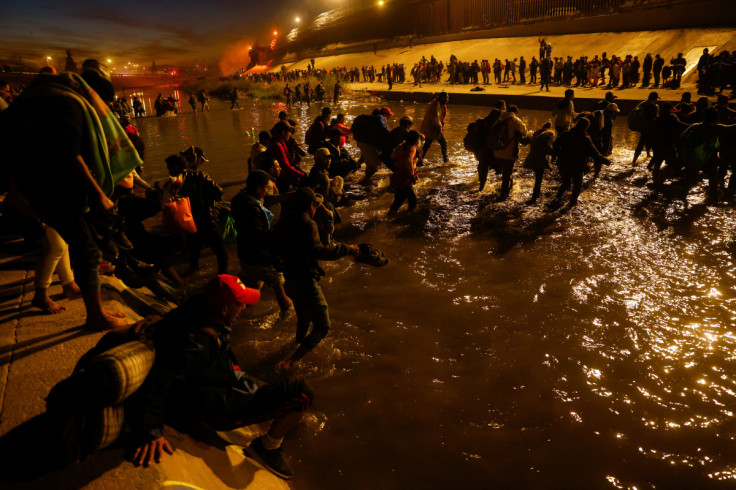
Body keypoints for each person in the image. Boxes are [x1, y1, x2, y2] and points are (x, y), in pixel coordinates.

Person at [127, 274, 312, 480]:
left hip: (225, 381)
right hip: (220, 409)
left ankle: (285, 420)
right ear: (224, 307)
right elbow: (157, 382)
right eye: (240, 304)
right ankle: (266, 448)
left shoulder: (198, 310)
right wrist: (151, 431)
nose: (244, 308)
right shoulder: (198, 343)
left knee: (292, 406)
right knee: (302, 393)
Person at [1, 59, 140, 330]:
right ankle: (95, 316)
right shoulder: (70, 104)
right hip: (47, 187)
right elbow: (70, 154)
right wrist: (99, 193)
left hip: (32, 183)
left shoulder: (49, 96)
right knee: (85, 249)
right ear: (94, 94)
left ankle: (68, 288)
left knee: (66, 244)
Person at [275, 188, 359, 369]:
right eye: (316, 204)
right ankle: (290, 362)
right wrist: (347, 249)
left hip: (289, 280)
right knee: (322, 326)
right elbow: (318, 251)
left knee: (304, 318)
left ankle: (295, 344)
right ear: (311, 205)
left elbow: (273, 251)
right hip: (305, 280)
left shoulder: (282, 223)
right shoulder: (307, 223)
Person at [231, 170, 292, 316]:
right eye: (266, 188)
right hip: (260, 257)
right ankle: (287, 320)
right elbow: (258, 236)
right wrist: (280, 232)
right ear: (258, 188)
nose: (267, 191)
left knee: (253, 288)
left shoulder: (240, 200)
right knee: (281, 289)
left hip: (245, 254)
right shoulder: (253, 210)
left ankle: (238, 316)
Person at [164, 154, 228, 274]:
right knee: (220, 251)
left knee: (194, 251)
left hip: (189, 221)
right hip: (207, 218)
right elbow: (219, 192)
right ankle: (223, 278)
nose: (168, 171)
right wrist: (207, 202)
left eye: (169, 168)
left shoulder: (173, 183)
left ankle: (192, 275)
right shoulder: (200, 176)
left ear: (176, 167)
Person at [551, 118, 610, 208]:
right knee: (577, 185)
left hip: (563, 163)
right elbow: (595, 154)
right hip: (577, 165)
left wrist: (555, 156)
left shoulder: (565, 134)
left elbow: (555, 145)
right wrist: (606, 161)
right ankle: (572, 203)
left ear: (577, 124)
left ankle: (557, 198)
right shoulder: (585, 138)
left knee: (566, 183)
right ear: (586, 127)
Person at [492, 105, 530, 201]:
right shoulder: (515, 120)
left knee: (505, 172)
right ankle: (504, 196)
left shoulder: (500, 119)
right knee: (507, 174)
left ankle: (508, 189)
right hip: (509, 152)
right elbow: (524, 132)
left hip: (497, 150)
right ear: (516, 113)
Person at [388, 130, 423, 214]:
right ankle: (387, 220)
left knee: (412, 199)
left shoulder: (400, 146)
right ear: (416, 140)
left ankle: (408, 215)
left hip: (398, 174)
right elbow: (408, 161)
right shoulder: (412, 148)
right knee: (399, 200)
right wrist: (411, 175)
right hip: (405, 176)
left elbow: (392, 157)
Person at [523, 122, 556, 204]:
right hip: (539, 160)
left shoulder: (536, 134)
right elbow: (549, 149)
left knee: (538, 179)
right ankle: (534, 198)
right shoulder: (548, 135)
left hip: (532, 158)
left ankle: (536, 195)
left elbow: (526, 141)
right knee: (538, 179)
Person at [269, 121, 305, 192]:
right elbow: (286, 168)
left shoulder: (280, 142)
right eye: (289, 131)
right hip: (280, 179)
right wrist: (302, 175)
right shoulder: (277, 146)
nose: (290, 134)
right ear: (282, 132)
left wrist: (297, 160)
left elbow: (288, 161)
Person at [631, 91, 660, 166]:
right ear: (655, 98)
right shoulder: (655, 106)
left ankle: (635, 159)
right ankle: (653, 162)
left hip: (642, 126)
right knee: (653, 144)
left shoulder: (642, 103)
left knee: (641, 143)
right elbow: (655, 117)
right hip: (650, 127)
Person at [420, 91, 449, 163]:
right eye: (446, 98)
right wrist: (439, 129)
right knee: (443, 143)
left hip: (432, 128)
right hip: (432, 128)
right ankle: (446, 161)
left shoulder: (440, 104)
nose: (447, 99)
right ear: (442, 98)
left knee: (427, 145)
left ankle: (419, 160)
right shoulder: (435, 104)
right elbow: (435, 118)